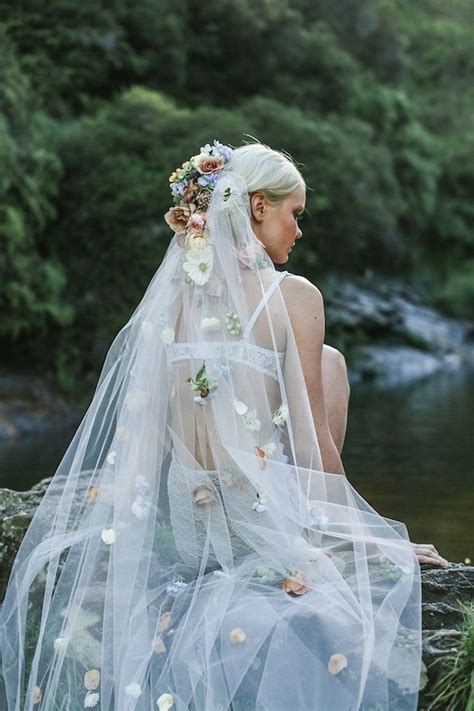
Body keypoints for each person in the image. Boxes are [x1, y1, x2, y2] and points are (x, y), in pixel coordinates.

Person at [1, 139, 446, 710]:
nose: (299, 230)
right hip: (260, 521)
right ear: (258, 207)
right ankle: (318, 531)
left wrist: (122, 538)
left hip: (192, 526)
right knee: (331, 364)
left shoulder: (172, 299)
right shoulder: (295, 296)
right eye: (295, 213)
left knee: (328, 360)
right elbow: (311, 446)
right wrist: (365, 533)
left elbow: (141, 448)